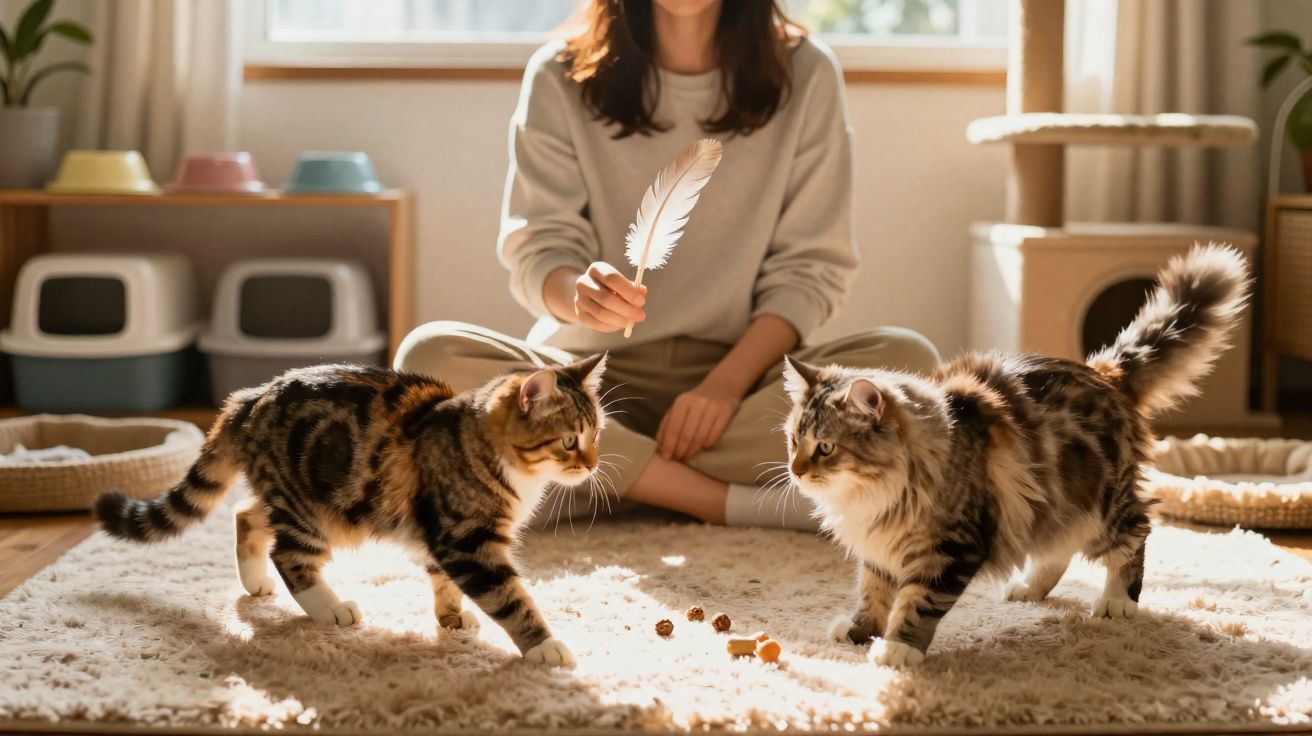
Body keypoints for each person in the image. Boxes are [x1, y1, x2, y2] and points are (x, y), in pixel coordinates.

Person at [395, 0, 939, 528]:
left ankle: (602, 479)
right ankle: (714, 499)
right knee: (428, 358)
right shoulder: (557, 73)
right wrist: (576, 293)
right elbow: (540, 248)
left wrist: (723, 388)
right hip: (588, 382)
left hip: (746, 385)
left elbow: (811, 268)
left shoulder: (808, 72)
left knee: (909, 365)